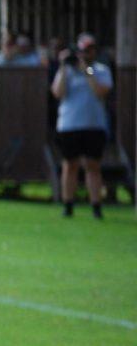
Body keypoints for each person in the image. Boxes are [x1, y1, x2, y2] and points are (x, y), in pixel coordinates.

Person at [51, 32, 113, 219]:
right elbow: (57, 93)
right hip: (69, 124)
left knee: (92, 164)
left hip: (94, 125)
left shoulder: (100, 70)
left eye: (89, 50)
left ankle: (96, 205)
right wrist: (63, 66)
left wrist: (87, 69)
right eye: (82, 51)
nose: (85, 54)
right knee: (70, 164)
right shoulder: (68, 71)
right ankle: (68, 205)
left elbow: (100, 91)